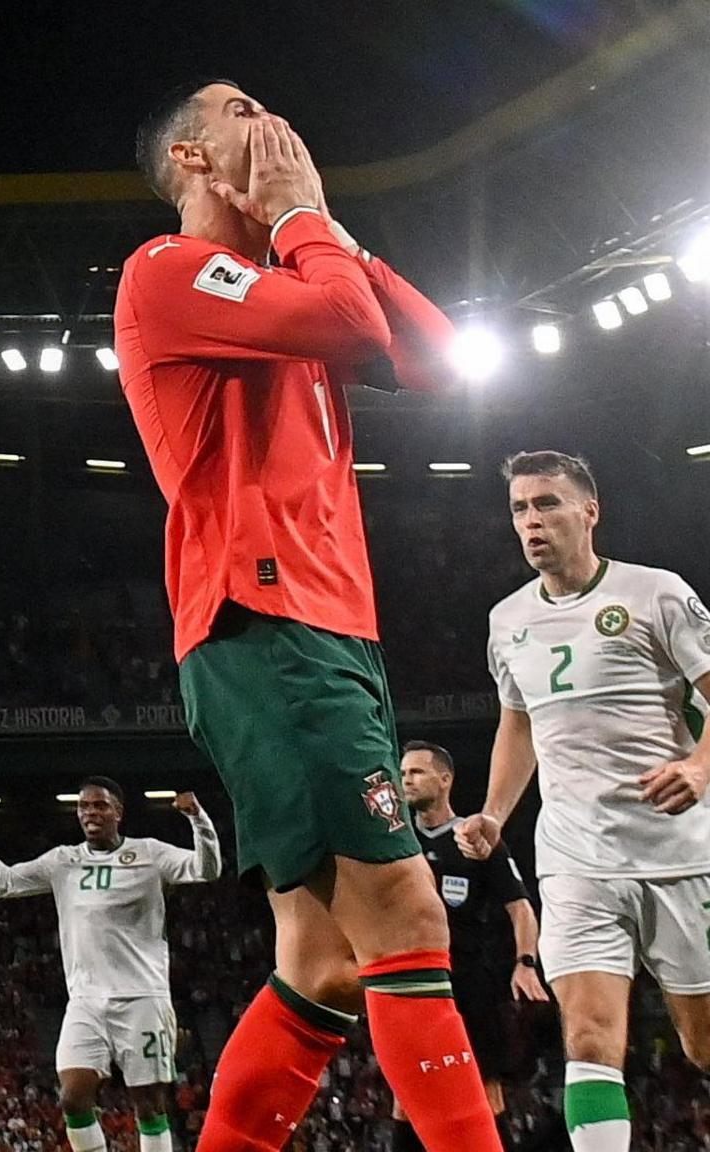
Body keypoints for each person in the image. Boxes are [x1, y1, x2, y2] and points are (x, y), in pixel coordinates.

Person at [117, 80, 495, 1151]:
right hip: (264, 620)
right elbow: (342, 317)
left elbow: (429, 356)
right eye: (243, 110)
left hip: (323, 627)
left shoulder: (285, 267)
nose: (275, 119)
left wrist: (308, 221)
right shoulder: (168, 269)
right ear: (192, 159)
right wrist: (293, 219)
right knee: (410, 921)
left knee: (321, 962)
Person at [458, 450, 710, 1152]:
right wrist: (494, 814)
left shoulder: (656, 594)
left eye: (546, 504)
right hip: (576, 860)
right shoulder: (507, 619)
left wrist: (699, 766)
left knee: (702, 1047)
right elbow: (519, 721)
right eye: (519, 509)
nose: (531, 521)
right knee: (591, 1038)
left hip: (680, 853)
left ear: (589, 511)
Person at [0, 782, 220, 1152]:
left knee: (148, 1105)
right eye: (83, 807)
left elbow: (206, 869)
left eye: (99, 806)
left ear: (118, 812)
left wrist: (198, 820)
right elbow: (4, 884)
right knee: (73, 1098)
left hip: (143, 999)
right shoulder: (63, 861)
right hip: (85, 1002)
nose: (89, 813)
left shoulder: (149, 854)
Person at [393, 740, 547, 1152]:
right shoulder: (396, 843)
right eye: (403, 772)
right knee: (405, 1094)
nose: (406, 779)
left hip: (468, 983)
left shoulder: (475, 838)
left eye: (417, 772)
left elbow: (520, 907)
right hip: (410, 982)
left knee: (484, 1087)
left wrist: (525, 962)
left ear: (445, 780)